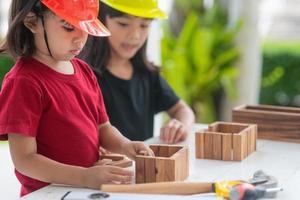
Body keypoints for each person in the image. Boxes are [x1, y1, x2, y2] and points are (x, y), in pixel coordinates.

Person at [0, 0, 154, 197]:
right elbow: (25, 160)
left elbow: (103, 128)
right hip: (49, 194)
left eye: (85, 26)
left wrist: (124, 145)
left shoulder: (84, 71)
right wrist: (85, 176)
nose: (81, 37)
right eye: (68, 27)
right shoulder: (23, 82)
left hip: (83, 190)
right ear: (31, 22)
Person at [79, 0, 195, 143]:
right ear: (100, 20)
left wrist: (180, 124)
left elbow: (183, 110)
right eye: (123, 24)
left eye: (144, 25)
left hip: (143, 164)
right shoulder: (83, 76)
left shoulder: (147, 74)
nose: (135, 35)